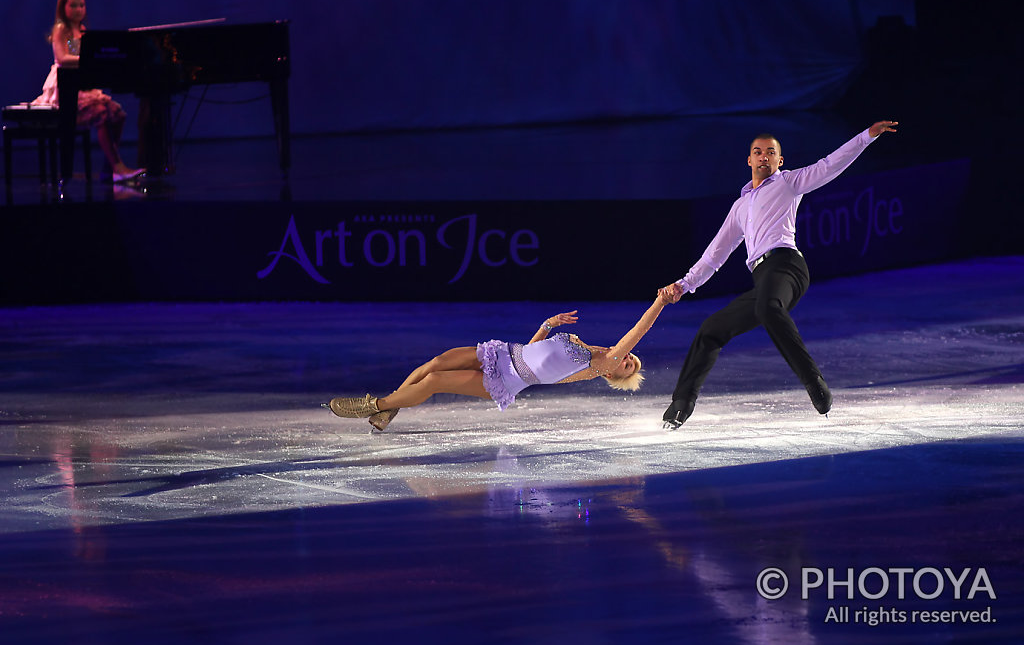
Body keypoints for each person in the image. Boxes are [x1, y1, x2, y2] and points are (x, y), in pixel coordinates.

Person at [660, 120, 899, 428]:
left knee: (768, 307)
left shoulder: (788, 183)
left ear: (779, 160)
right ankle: (681, 403)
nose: (763, 157)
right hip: (763, 280)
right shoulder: (740, 207)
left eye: (770, 153)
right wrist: (683, 285)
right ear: (749, 160)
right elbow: (714, 256)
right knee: (711, 329)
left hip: (787, 267)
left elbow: (828, 166)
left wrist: (866, 137)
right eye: (757, 152)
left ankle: (814, 383)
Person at [325, 291, 673, 430]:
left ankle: (373, 405)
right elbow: (533, 348)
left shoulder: (598, 366)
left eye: (626, 366)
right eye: (631, 360)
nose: (626, 359)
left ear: (613, 374)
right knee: (434, 363)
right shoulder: (583, 344)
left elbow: (636, 332)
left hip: (505, 380)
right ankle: (390, 410)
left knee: (433, 383)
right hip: (504, 352)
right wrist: (547, 325)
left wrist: (659, 302)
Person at [31, 0, 144, 183]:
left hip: (81, 81)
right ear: (63, 8)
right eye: (73, 5)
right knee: (101, 112)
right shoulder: (61, 29)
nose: (78, 9)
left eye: (81, 5)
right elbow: (62, 58)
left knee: (117, 114)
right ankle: (118, 167)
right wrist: (88, 59)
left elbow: (83, 57)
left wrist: (93, 61)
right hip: (64, 83)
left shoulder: (82, 30)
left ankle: (110, 168)